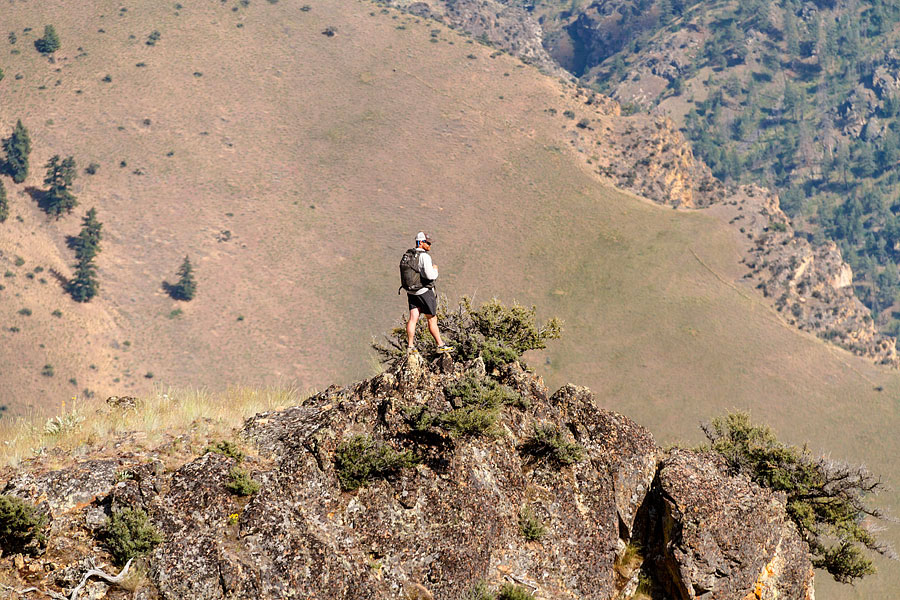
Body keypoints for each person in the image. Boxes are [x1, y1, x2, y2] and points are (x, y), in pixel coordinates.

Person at [404, 232, 452, 354]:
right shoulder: (424, 256)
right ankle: (440, 345)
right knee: (432, 319)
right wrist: (435, 270)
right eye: (427, 242)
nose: (430, 245)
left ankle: (410, 346)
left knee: (413, 318)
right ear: (421, 242)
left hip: (411, 291)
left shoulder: (408, 255)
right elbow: (430, 276)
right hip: (424, 291)